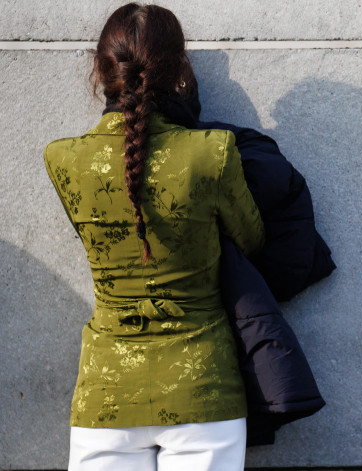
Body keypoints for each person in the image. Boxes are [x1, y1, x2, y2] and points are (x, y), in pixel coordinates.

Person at [43, 3, 263, 470]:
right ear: (179, 70)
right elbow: (251, 239)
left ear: (100, 69)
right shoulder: (213, 153)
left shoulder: (63, 159)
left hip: (106, 393)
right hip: (203, 389)